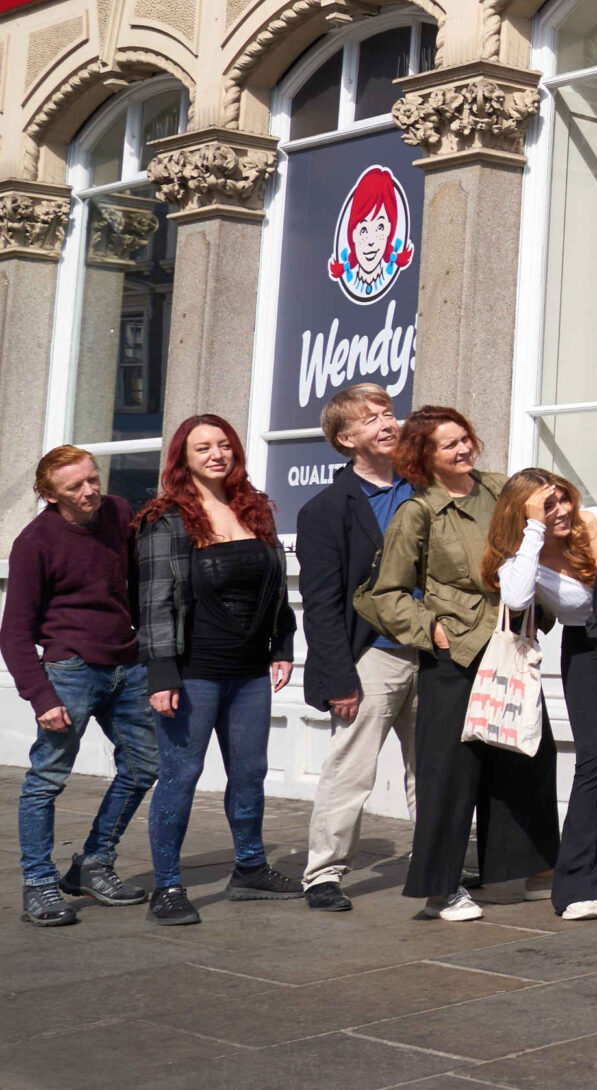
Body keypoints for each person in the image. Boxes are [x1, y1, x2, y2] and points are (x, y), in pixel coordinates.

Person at [358, 408, 557, 921]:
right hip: (457, 654)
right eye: (449, 445)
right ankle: (440, 888)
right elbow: (386, 593)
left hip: (511, 644)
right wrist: (433, 631)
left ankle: (517, 871)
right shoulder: (417, 512)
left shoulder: (500, 489)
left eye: (466, 437)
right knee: (449, 773)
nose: (464, 448)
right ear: (425, 458)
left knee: (527, 752)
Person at [134, 415, 300, 926]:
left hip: (250, 671)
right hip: (193, 670)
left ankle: (250, 867)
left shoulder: (254, 509)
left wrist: (283, 641)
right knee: (181, 775)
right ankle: (166, 886)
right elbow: (154, 602)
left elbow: (274, 584)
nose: (216, 454)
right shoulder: (166, 521)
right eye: (202, 446)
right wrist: (161, 672)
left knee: (249, 773)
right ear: (183, 458)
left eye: (224, 444)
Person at [6, 446, 154, 924]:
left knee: (144, 765)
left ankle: (93, 863)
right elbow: (14, 632)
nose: (91, 490)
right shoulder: (35, 542)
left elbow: (133, 581)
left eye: (93, 478)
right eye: (76, 486)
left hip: (126, 665)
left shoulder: (117, 512)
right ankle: (38, 883)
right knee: (46, 780)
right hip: (69, 671)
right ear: (50, 495)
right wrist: (40, 696)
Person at [296, 384, 417, 912]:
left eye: (389, 413)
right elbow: (320, 605)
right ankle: (323, 873)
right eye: (371, 419)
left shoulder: (423, 488)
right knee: (350, 769)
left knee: (433, 767)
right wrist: (337, 677)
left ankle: (436, 860)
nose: (388, 423)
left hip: (433, 650)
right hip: (371, 655)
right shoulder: (326, 508)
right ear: (346, 439)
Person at [487, 468, 597, 920]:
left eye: (563, 499)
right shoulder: (521, 554)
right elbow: (519, 598)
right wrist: (534, 528)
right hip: (586, 648)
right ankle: (579, 883)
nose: (562, 510)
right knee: (594, 757)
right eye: (548, 505)